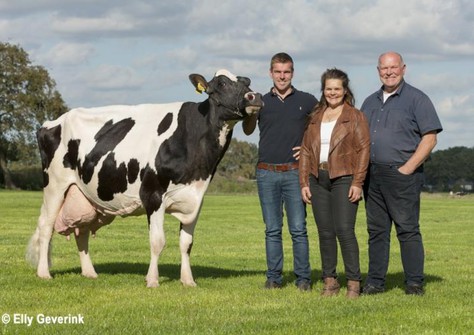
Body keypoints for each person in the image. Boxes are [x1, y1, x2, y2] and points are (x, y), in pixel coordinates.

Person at [360, 51, 443, 296]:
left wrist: (408, 168)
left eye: (394, 67)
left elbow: (430, 138)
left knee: (407, 229)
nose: (389, 72)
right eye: (384, 68)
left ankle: (414, 283)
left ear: (403, 68)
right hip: (372, 176)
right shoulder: (369, 101)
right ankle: (375, 282)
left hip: (403, 176)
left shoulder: (418, 99)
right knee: (376, 231)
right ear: (378, 71)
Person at [243, 52, 317, 291]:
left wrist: (308, 147)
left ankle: (303, 279)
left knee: (298, 229)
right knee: (272, 230)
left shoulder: (307, 100)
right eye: (278, 72)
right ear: (271, 73)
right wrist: (250, 113)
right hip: (266, 172)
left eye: (286, 72)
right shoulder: (261, 101)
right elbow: (246, 130)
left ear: (292, 73)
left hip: (295, 172)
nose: (282, 76)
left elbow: (322, 128)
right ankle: (274, 278)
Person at [299, 68, 370, 298]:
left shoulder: (355, 116)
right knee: (325, 232)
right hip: (318, 180)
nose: (332, 92)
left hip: (345, 178)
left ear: (345, 90)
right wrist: (304, 183)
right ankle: (330, 282)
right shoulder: (316, 116)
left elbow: (363, 151)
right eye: (328, 88)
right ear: (323, 90)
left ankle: (353, 283)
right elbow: (307, 151)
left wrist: (358, 182)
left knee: (344, 231)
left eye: (337, 88)